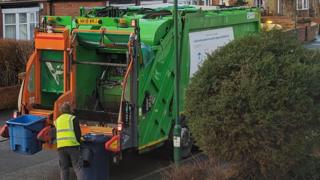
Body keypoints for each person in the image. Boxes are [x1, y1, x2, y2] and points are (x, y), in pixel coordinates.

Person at [55, 102, 84, 180]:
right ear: (69, 109)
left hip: (61, 147)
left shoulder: (57, 120)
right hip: (72, 146)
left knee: (64, 169)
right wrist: (80, 142)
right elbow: (78, 133)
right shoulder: (73, 118)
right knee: (78, 168)